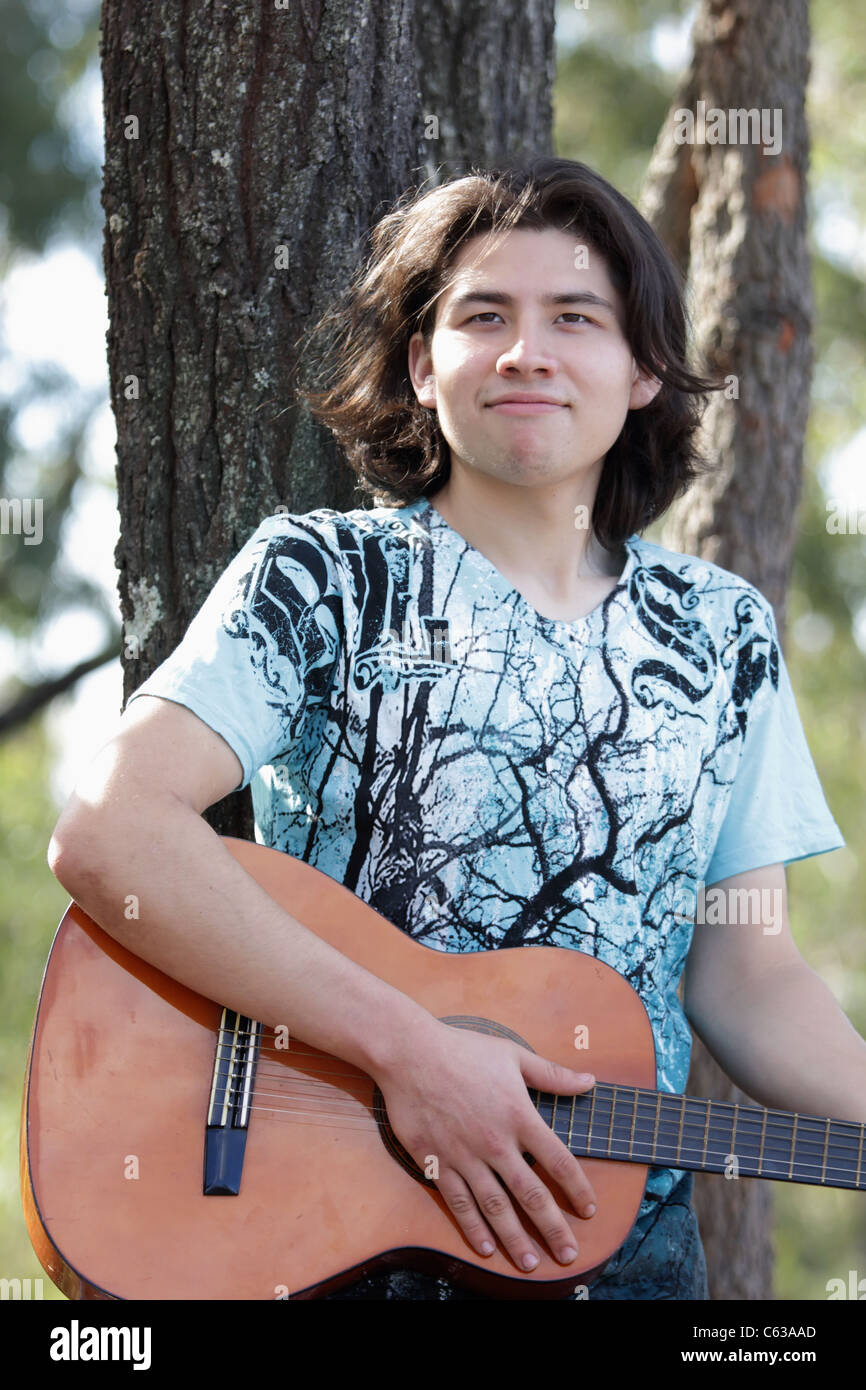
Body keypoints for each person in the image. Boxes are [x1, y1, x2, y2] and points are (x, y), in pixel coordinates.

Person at [48, 156, 864, 1302]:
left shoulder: (721, 633)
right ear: (424, 366)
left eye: (575, 317)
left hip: (617, 1258)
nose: (527, 349)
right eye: (485, 316)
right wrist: (408, 1052)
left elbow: (749, 973)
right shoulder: (322, 573)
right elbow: (110, 830)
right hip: (324, 1236)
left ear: (639, 373)